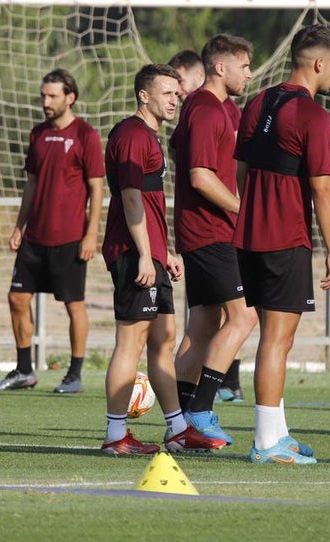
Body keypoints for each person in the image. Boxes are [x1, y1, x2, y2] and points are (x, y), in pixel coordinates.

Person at [100, 63, 226, 455]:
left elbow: (151, 203)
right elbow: (131, 198)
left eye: (177, 93)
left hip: (151, 253)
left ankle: (177, 429)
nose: (175, 99)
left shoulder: (151, 137)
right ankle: (115, 435)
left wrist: (164, 252)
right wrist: (143, 254)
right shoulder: (132, 134)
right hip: (133, 254)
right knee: (131, 341)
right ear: (144, 95)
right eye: (167, 93)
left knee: (164, 338)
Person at [234, 23, 330, 465]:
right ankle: (265, 442)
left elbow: (241, 171)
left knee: (277, 337)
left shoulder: (258, 101)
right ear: (318, 63)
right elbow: (322, 189)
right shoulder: (313, 115)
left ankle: (277, 431)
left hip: (250, 235)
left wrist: (253, 211)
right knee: (277, 340)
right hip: (285, 236)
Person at [0, 69, 104, 394]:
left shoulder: (86, 135)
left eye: (52, 96)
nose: (46, 102)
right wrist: (19, 226)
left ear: (70, 97)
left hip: (70, 238)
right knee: (16, 298)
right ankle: (24, 370)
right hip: (34, 238)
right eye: (43, 96)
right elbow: (32, 183)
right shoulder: (37, 134)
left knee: (74, 305)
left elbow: (97, 188)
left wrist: (91, 234)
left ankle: (74, 374)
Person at [171, 34, 258, 445]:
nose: (250, 74)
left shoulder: (220, 108)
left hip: (204, 229)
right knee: (244, 317)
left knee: (204, 324)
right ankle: (201, 409)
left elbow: (180, 149)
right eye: (245, 66)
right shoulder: (205, 108)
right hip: (209, 230)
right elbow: (200, 177)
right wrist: (244, 209)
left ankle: (179, 424)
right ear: (220, 67)